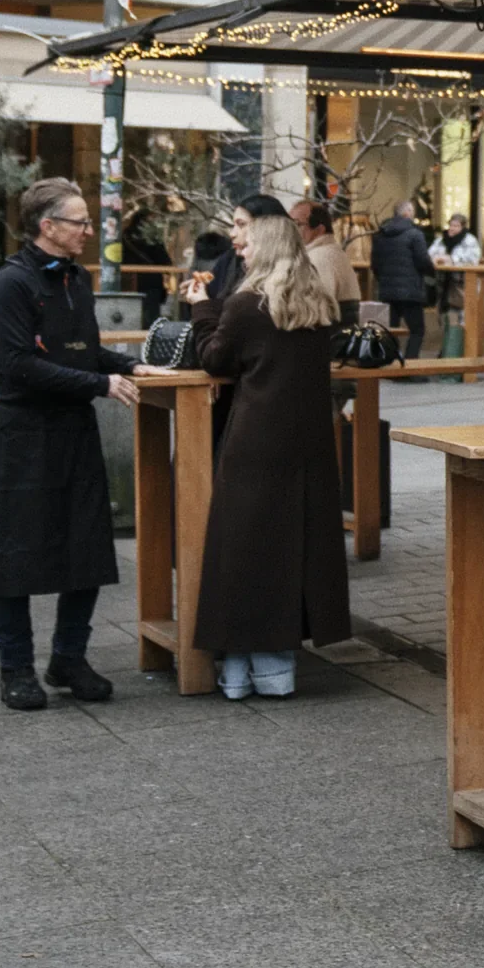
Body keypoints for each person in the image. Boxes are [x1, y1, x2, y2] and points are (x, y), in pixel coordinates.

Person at [0, 178, 155, 710]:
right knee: (16, 553)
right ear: (47, 226)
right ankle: (16, 668)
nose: (89, 230)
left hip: (73, 431)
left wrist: (129, 364)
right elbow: (18, 367)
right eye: (79, 221)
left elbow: (84, 352)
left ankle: (68, 658)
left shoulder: (77, 277)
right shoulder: (11, 285)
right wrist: (100, 384)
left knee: (86, 548)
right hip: (25, 436)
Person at [178, 209, 349, 699]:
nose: (242, 250)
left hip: (255, 440)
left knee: (241, 552)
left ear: (268, 249)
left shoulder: (245, 305)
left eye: (249, 244)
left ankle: (235, 671)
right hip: (308, 443)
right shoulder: (317, 304)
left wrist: (201, 307)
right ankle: (276, 670)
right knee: (291, 550)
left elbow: (215, 358)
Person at [368, 199, 437, 359]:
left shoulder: (380, 234)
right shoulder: (415, 234)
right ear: (407, 213)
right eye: (412, 212)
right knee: (417, 330)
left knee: (390, 330)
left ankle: (392, 365)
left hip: (387, 290)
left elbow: (375, 263)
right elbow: (423, 260)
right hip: (410, 291)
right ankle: (410, 367)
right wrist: (431, 272)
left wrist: (383, 280)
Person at [204, 194, 291, 301]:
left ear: (267, 228)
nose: (232, 233)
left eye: (241, 224)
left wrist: (201, 302)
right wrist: (202, 291)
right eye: (233, 225)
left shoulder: (291, 272)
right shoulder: (230, 260)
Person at [289, 201, 363, 313]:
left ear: (319, 229)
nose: (291, 230)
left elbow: (317, 308)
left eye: (297, 224)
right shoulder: (328, 252)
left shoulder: (320, 257)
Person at [429, 212, 481, 322]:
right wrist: (437, 258)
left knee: (462, 317)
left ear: (462, 227)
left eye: (456, 226)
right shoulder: (441, 240)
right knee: (445, 316)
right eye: (451, 225)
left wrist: (452, 259)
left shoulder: (470, 240)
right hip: (443, 284)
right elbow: (430, 254)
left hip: (462, 285)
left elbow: (473, 259)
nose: (452, 228)